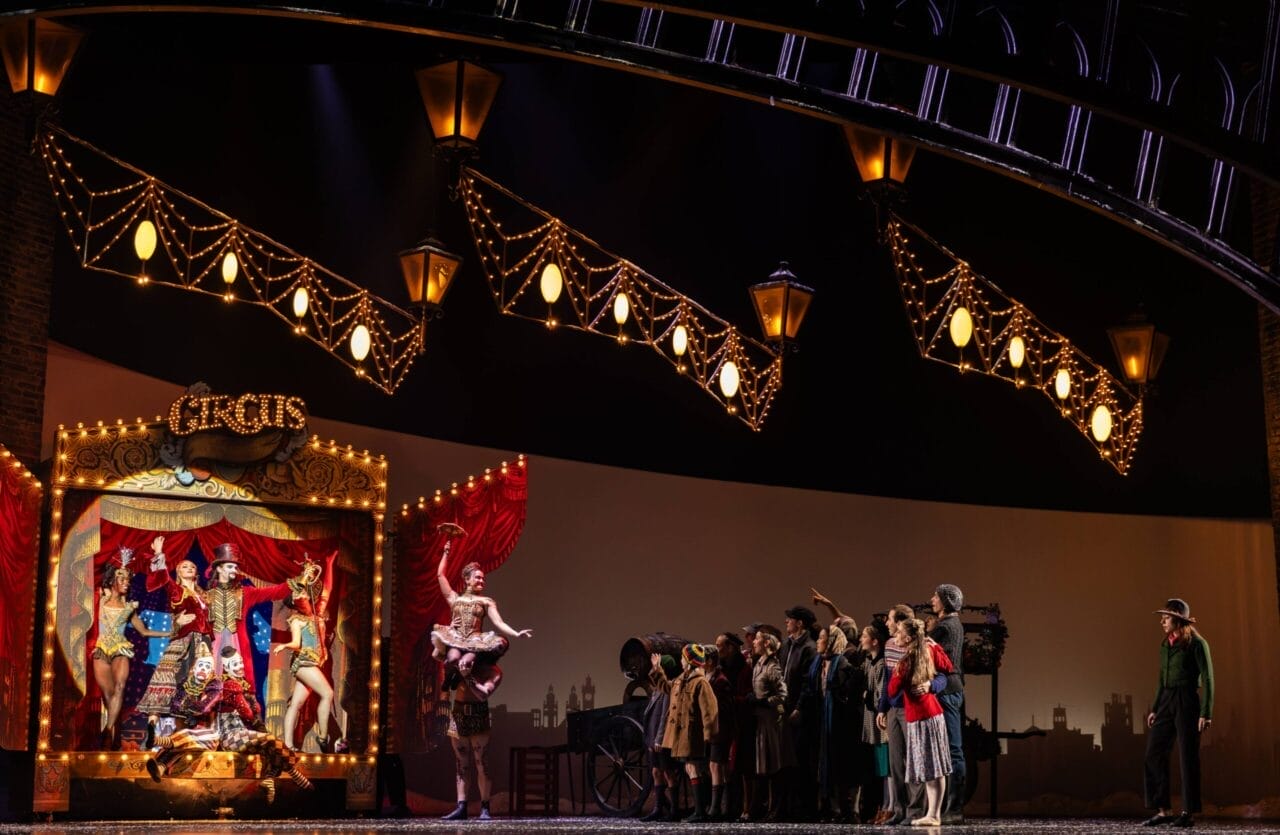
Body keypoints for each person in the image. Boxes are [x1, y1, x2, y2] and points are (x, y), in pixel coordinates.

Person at [430, 523, 532, 697]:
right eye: (477, 578)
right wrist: (446, 553)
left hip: (474, 642)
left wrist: (516, 633)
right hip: (456, 638)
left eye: (483, 579)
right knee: (453, 659)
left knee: (465, 662)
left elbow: (498, 622)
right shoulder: (455, 598)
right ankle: (449, 679)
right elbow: (441, 576)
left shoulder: (486, 601)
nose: (481, 581)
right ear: (467, 580)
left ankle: (462, 678)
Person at [1143, 598, 1214, 828]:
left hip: (1186, 700)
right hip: (1166, 700)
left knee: (1187, 757)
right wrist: (1155, 708)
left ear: (1178, 619)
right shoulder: (1165, 645)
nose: (1162, 621)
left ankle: (1187, 812)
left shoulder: (1197, 644)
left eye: (1167, 617)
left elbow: (1209, 679)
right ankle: (1163, 810)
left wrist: (1206, 712)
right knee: (1154, 753)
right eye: (1162, 617)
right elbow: (1160, 679)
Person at [92, 548, 171, 749]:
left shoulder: (129, 608)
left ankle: (108, 731)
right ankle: (113, 734)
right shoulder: (100, 599)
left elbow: (144, 632)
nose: (127, 583)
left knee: (119, 688)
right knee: (108, 695)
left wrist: (171, 632)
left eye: (128, 580)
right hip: (101, 650)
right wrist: (120, 565)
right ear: (113, 580)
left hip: (121, 649)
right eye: (122, 579)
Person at [216, 645, 313, 804]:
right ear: (226, 667)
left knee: (273, 745)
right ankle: (293, 773)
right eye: (235, 664)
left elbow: (254, 714)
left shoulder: (243, 684)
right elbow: (247, 714)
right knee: (272, 741)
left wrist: (259, 722)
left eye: (240, 662)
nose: (240, 666)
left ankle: (269, 779)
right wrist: (258, 721)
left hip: (243, 734)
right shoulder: (230, 686)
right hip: (231, 737)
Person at [137, 536, 210, 730]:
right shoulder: (177, 590)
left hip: (202, 642)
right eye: (184, 566)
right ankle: (152, 722)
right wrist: (159, 554)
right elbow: (162, 578)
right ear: (178, 571)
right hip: (183, 638)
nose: (189, 568)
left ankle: (186, 729)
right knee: (166, 674)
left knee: (195, 682)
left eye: (192, 567)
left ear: (197, 573)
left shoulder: (204, 596)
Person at [887, 618, 954, 827]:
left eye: (898, 633)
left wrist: (897, 670)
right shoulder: (926, 651)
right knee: (933, 768)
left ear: (907, 638)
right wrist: (933, 644)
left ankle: (934, 814)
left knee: (933, 767)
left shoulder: (908, 661)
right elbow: (947, 665)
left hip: (923, 716)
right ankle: (933, 814)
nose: (895, 636)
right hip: (929, 715)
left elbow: (892, 690)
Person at [205, 542, 296, 687]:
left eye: (235, 567)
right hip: (214, 642)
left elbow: (273, 592)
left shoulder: (245, 592)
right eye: (230, 566)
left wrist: (299, 581)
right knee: (212, 676)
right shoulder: (206, 596)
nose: (234, 569)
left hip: (236, 640)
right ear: (219, 568)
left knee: (238, 676)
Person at [273, 560, 339, 752]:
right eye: (297, 596)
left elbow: (328, 588)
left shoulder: (317, 615)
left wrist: (329, 563)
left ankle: (288, 744)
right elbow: (296, 643)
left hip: (314, 663)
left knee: (296, 704)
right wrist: (284, 645)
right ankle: (322, 737)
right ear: (295, 603)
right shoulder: (296, 620)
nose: (301, 596)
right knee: (327, 693)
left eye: (302, 593)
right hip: (304, 663)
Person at [652, 643, 719, 822]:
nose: (681, 661)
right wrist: (657, 671)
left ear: (689, 661)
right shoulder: (682, 679)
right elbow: (667, 688)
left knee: (694, 768)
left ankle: (700, 811)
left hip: (693, 734)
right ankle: (698, 811)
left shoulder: (700, 682)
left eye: (683, 658)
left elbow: (709, 711)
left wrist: (708, 736)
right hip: (682, 735)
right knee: (690, 768)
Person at [145, 640, 223, 782]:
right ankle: (160, 768)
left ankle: (156, 740)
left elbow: (203, 708)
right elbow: (174, 706)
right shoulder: (184, 683)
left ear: (212, 671)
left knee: (186, 735)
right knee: (181, 739)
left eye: (207, 667)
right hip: (186, 738)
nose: (203, 669)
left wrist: (186, 705)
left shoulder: (215, 685)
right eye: (201, 665)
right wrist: (191, 707)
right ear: (194, 667)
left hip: (209, 736)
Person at [801, 625, 855, 822]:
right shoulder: (817, 662)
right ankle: (825, 808)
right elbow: (809, 688)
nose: (818, 641)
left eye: (822, 638)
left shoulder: (842, 664)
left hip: (837, 723)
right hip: (819, 719)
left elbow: (845, 694)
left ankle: (842, 809)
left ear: (831, 641)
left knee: (837, 765)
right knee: (819, 764)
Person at [441, 659, 503, 820]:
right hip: (459, 713)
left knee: (481, 763)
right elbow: (438, 655)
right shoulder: (461, 663)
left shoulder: (494, 671)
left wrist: (467, 676)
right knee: (461, 764)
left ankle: (484, 807)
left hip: (478, 714)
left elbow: (483, 694)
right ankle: (461, 806)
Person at [929, 583, 967, 823]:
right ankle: (947, 808)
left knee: (953, 750)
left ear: (946, 601)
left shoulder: (946, 627)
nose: (932, 600)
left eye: (936, 596)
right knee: (948, 750)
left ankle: (954, 808)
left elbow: (942, 662)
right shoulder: (950, 625)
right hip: (948, 689)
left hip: (946, 690)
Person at [748, 628, 789, 822]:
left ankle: (776, 808)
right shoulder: (758, 665)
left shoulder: (772, 666)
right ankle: (761, 808)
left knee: (774, 765)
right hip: (760, 721)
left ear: (766, 644)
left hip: (770, 722)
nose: (753, 642)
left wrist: (764, 702)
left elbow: (782, 695)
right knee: (762, 766)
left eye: (757, 639)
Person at [640, 653, 681, 821]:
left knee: (668, 772)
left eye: (657, 668)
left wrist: (659, 739)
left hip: (662, 739)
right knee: (656, 771)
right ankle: (658, 809)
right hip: (653, 737)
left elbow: (666, 715)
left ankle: (674, 811)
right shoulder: (658, 689)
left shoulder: (667, 689)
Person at [860, 619, 893, 824]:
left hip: (879, 724)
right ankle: (880, 807)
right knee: (876, 768)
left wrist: (866, 696)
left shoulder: (881, 664)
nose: (861, 640)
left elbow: (881, 694)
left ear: (874, 641)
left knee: (884, 768)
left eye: (865, 637)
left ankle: (887, 807)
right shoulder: (868, 662)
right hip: (870, 722)